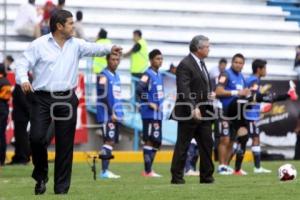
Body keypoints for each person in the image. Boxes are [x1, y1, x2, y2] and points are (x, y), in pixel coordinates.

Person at [14, 10, 122, 195]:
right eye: (71, 23)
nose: (74, 26)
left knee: (65, 145)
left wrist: (110, 47)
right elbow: (22, 64)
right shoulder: (39, 44)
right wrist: (24, 79)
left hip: (66, 98)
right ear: (59, 26)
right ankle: (41, 175)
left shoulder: (76, 44)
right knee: (37, 138)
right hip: (42, 98)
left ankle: (61, 190)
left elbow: (93, 48)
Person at [170, 35, 215, 184]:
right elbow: (184, 89)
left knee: (207, 144)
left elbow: (199, 85)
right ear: (198, 48)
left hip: (204, 111)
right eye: (207, 46)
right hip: (188, 113)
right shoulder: (185, 64)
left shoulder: (201, 63)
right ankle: (177, 177)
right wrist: (193, 107)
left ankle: (207, 177)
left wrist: (209, 94)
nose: (209, 49)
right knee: (183, 146)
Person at [245, 59, 298, 173]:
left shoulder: (254, 79)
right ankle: (256, 168)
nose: (266, 70)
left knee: (248, 139)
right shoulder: (254, 80)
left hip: (250, 114)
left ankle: (243, 168)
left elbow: (254, 98)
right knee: (253, 139)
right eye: (265, 68)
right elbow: (253, 97)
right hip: (249, 116)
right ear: (259, 69)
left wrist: (263, 104)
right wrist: (264, 103)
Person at [215, 53, 251, 175]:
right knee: (224, 139)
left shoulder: (242, 77)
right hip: (223, 112)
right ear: (232, 62)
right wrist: (237, 92)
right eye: (236, 62)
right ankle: (221, 166)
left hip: (236, 113)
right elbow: (218, 91)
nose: (238, 65)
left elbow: (244, 94)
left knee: (232, 140)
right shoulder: (225, 74)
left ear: (243, 65)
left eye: (241, 63)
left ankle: (225, 166)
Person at [137, 49, 164, 177]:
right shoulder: (147, 74)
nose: (160, 61)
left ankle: (149, 170)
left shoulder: (159, 75)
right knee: (149, 140)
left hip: (158, 114)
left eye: (161, 59)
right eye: (157, 59)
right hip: (149, 113)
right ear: (151, 60)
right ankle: (147, 171)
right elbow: (139, 90)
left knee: (156, 141)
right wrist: (149, 102)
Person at [96, 54, 123, 179]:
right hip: (107, 115)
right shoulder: (103, 75)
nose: (115, 62)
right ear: (107, 60)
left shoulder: (117, 76)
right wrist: (112, 112)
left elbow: (116, 97)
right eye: (113, 59)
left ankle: (105, 171)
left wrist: (120, 112)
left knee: (111, 142)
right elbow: (103, 95)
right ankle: (104, 171)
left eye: (117, 59)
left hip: (115, 114)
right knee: (109, 141)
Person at [0, 65, 12, 166]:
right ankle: (2, 158)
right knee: (1, 134)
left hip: (1, 108)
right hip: (3, 108)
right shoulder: (6, 82)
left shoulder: (3, 82)